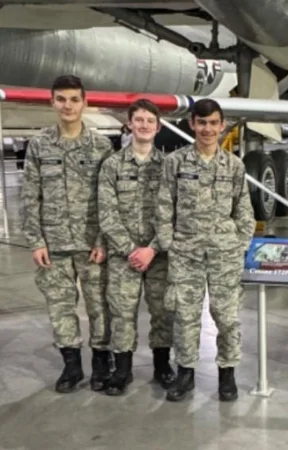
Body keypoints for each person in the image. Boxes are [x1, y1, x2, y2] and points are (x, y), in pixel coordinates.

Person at [156, 98, 255, 402]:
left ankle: (227, 374)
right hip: (186, 253)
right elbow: (163, 206)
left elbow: (244, 210)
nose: (207, 129)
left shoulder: (234, 165)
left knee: (226, 316)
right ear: (192, 125)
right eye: (202, 123)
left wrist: (240, 243)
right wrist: (169, 244)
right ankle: (185, 374)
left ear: (222, 125)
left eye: (213, 122)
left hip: (224, 254)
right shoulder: (175, 162)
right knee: (185, 316)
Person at [20, 75, 114, 393]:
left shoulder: (100, 145)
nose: (68, 106)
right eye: (61, 99)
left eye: (74, 99)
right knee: (60, 305)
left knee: (99, 305)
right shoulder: (39, 145)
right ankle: (71, 365)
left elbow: (108, 198)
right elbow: (30, 195)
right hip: (54, 243)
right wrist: (36, 241)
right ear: (52, 103)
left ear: (85, 103)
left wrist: (103, 240)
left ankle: (102, 363)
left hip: (91, 244)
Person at [98, 99, 176, 396]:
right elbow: (107, 212)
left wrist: (152, 248)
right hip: (123, 255)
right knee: (122, 312)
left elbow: (173, 211)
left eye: (149, 121)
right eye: (138, 119)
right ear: (129, 124)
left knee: (162, 311)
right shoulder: (112, 165)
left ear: (157, 127)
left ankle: (161, 365)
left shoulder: (168, 166)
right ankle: (123, 369)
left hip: (158, 254)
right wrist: (132, 248)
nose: (143, 125)